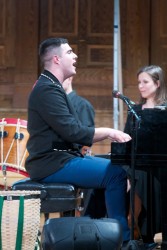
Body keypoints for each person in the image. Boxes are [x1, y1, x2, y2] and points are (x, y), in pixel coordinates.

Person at [25, 37, 132, 245]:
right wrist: (110, 131)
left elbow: (70, 132)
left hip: (59, 159)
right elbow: (73, 131)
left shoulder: (50, 86)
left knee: (115, 167)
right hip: (51, 163)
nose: (75, 56)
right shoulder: (47, 89)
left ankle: (99, 236)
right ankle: (122, 241)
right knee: (115, 174)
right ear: (56, 59)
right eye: (70, 52)